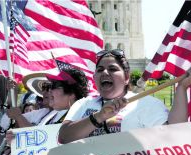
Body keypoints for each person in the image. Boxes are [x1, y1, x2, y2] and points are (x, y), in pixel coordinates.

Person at [59, 49, 191, 144]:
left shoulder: (145, 103)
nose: (105, 72)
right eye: (99, 70)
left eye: (112, 69)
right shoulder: (83, 104)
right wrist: (99, 116)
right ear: (94, 78)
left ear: (127, 77)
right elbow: (64, 137)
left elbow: (174, 133)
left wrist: (182, 87)